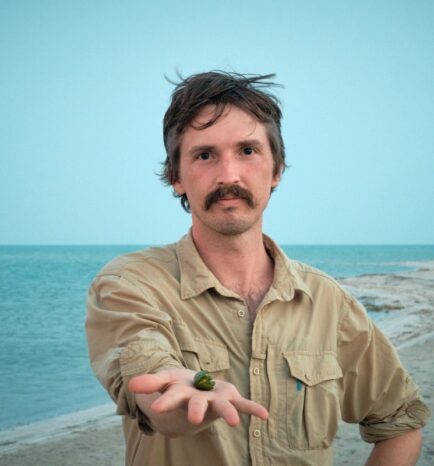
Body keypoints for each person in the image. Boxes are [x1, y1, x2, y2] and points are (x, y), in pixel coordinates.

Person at [86, 71, 429, 466]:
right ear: (177, 177)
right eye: (204, 155)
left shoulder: (328, 301)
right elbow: (153, 384)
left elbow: (400, 422)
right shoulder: (130, 284)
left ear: (276, 170)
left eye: (247, 151)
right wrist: (184, 392)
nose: (228, 176)